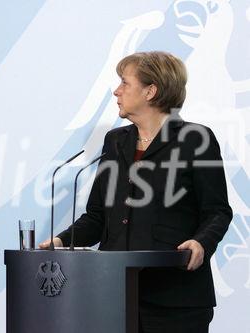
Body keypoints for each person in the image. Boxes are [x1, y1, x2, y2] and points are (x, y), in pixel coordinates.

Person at [40, 51, 232, 332]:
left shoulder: (196, 139)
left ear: (151, 91)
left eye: (124, 83)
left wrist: (201, 243)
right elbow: (97, 217)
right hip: (113, 294)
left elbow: (217, 211)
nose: (116, 91)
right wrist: (59, 242)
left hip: (175, 298)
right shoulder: (116, 140)